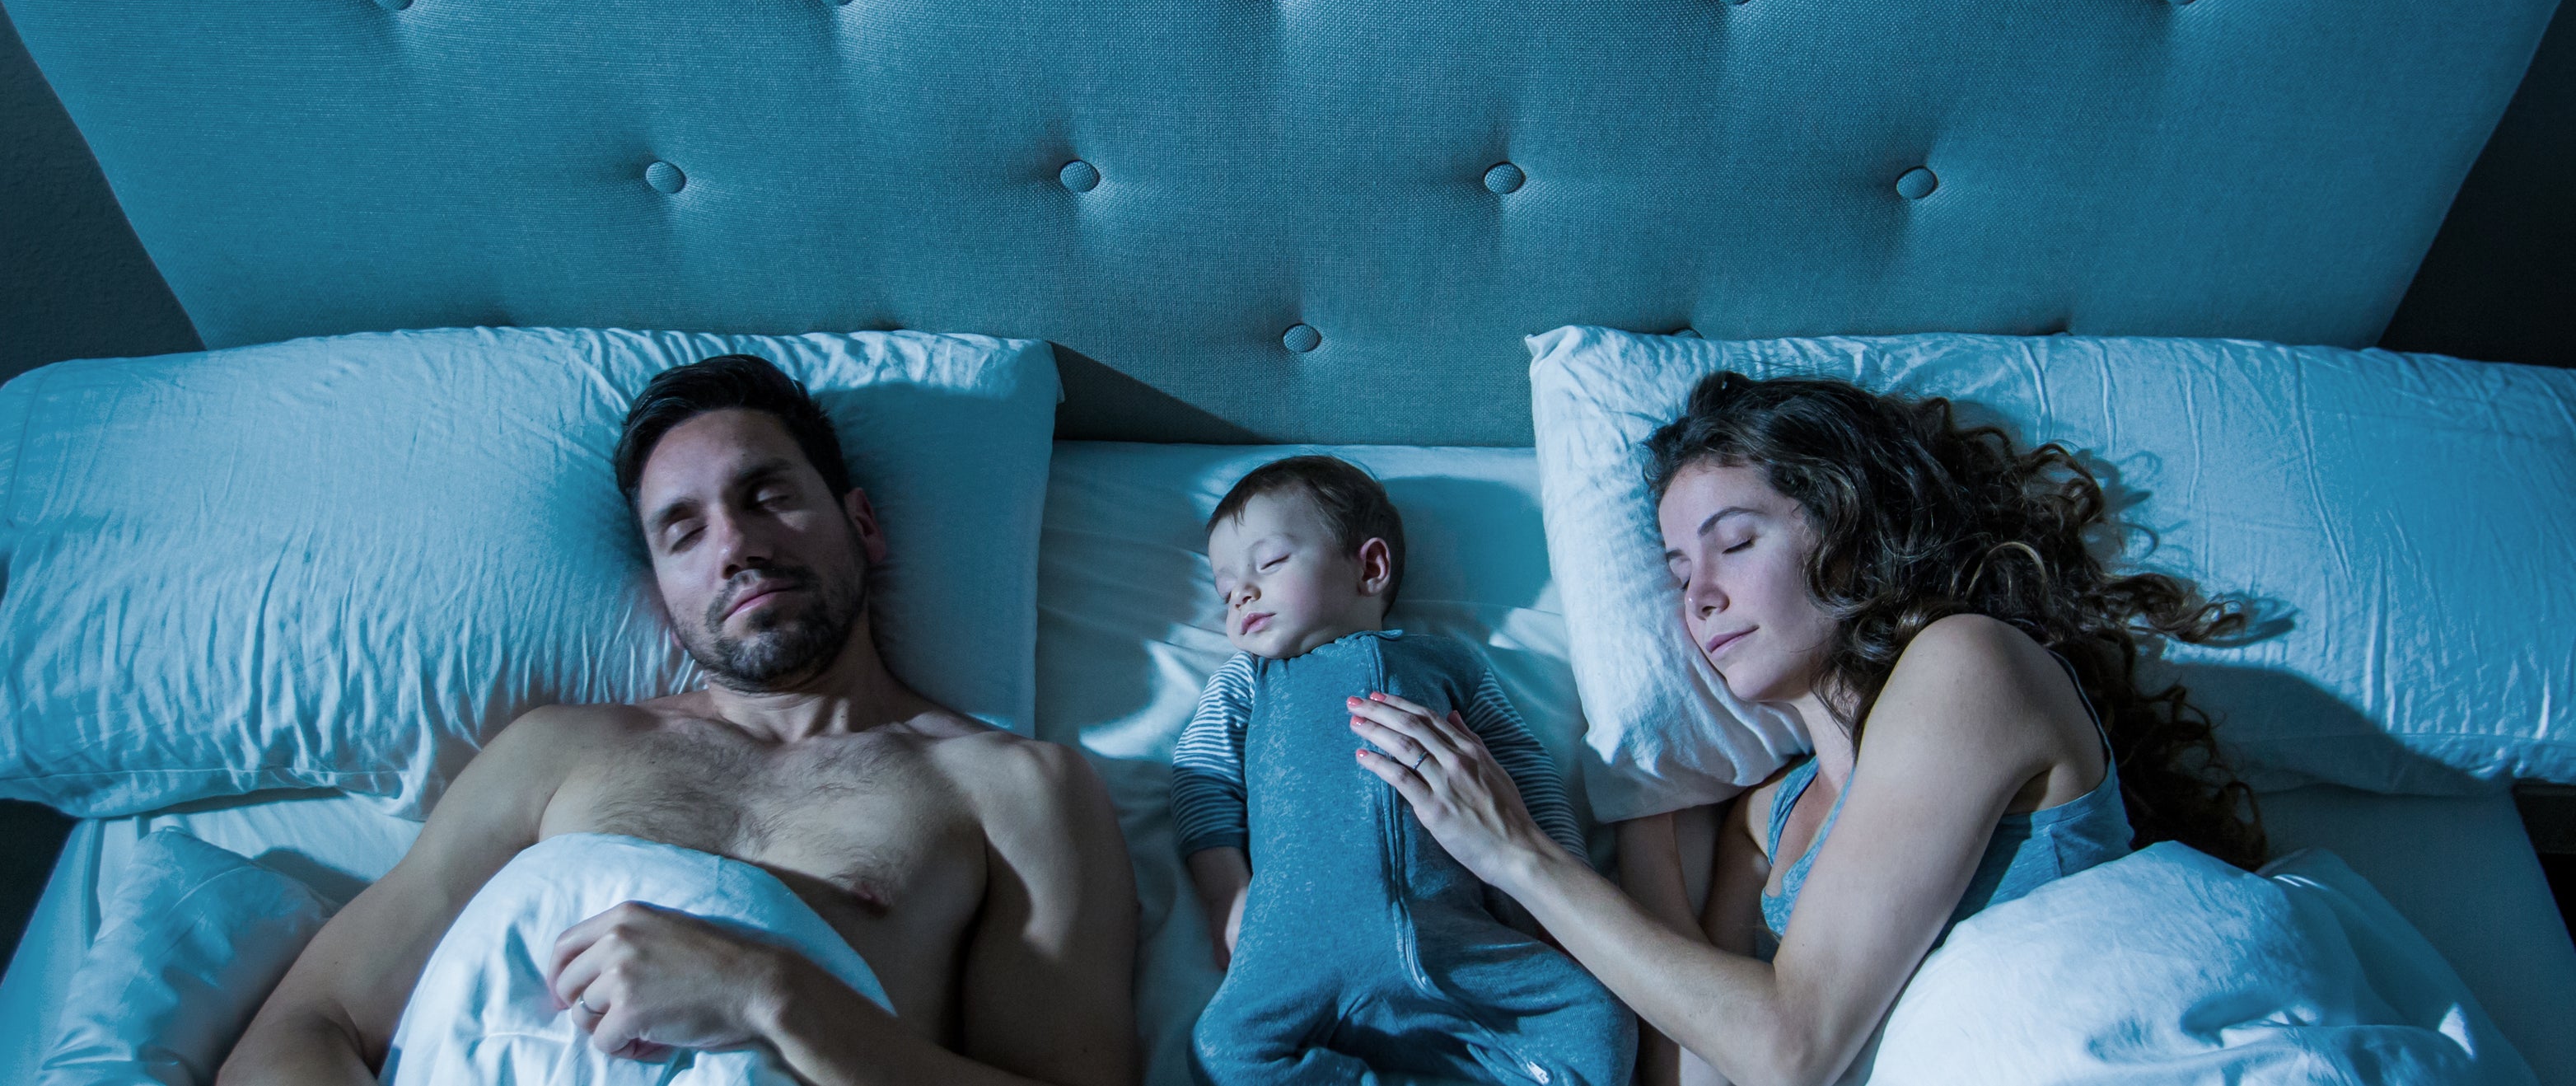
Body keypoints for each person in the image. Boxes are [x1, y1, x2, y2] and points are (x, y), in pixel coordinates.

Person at [221, 354, 1138, 1086]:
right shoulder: (557, 751)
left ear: (862, 524)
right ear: (663, 590)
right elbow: (292, 1040)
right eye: (684, 531)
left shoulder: (1012, 789)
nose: (737, 546)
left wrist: (770, 995)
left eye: (768, 494)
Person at [1345, 372, 2265, 1086]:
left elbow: (1792, 1047)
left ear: (1848, 530)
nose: (1700, 595)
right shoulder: (1766, 821)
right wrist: (1644, 814)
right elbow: (1706, 1064)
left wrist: (1521, 857)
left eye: (1735, 543)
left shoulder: (1968, 666)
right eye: (1675, 573)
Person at [1175, 456, 1634, 1085]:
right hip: (1295, 947)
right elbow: (1202, 780)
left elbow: (1521, 764)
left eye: (1269, 563)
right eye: (1226, 590)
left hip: (1457, 930)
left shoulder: (1449, 662)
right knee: (1221, 1050)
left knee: (1597, 1019)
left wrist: (1555, 881)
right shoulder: (1250, 680)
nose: (1241, 594)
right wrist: (1229, 901)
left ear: (1369, 566)